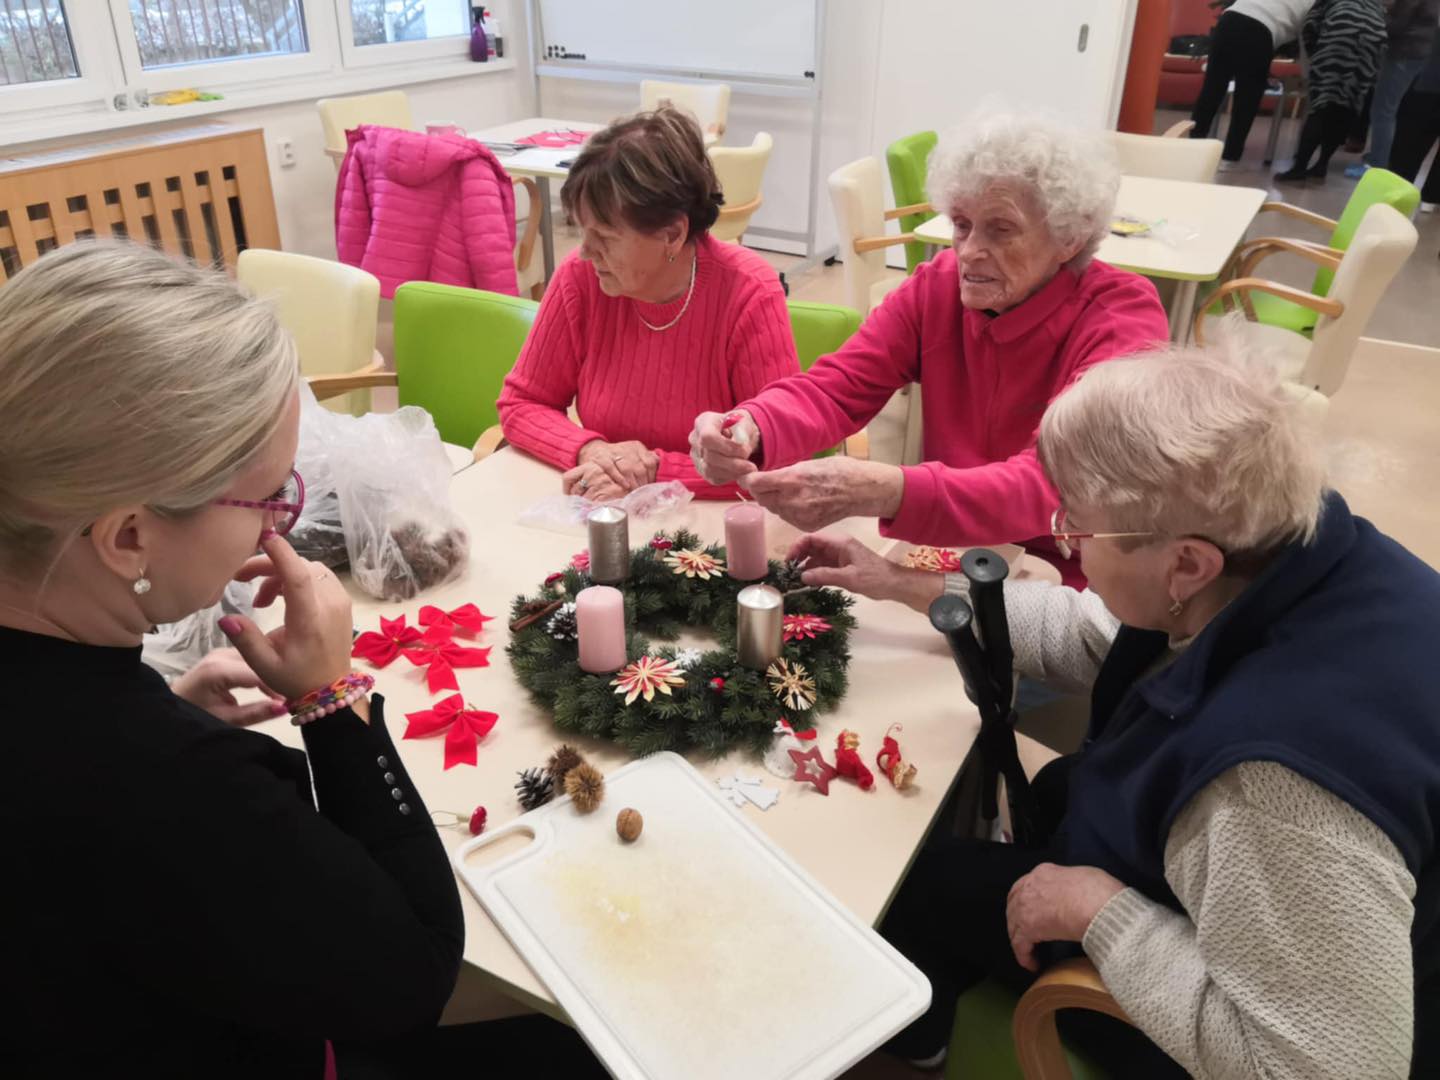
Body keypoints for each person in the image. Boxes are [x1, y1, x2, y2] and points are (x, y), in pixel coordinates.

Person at [788, 338, 1438, 1077]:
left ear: (1186, 563)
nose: (1068, 545)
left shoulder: (1268, 787)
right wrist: (901, 583)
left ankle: (917, 1051)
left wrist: (1103, 913)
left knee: (922, 887)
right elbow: (1098, 634)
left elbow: (1323, 1066)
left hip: (1254, 1007)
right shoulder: (1280, 554)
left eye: (1076, 528)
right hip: (1264, 914)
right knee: (1039, 800)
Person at [0, 242, 469, 1075]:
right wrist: (334, 699)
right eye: (268, 496)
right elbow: (412, 976)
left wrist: (162, 711)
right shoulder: (170, 788)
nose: (281, 525)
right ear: (129, 535)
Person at [689, 109, 1169, 588]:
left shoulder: (1121, 319)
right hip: (953, 554)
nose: (969, 251)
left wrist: (891, 491)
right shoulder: (936, 288)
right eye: (961, 224)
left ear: (1070, 237)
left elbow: (1057, 483)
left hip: (1074, 579)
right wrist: (751, 426)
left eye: (1001, 229)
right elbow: (837, 387)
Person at [496, 107, 798, 503]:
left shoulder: (748, 292)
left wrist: (654, 471)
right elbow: (522, 403)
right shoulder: (580, 277)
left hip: (711, 525)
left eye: (605, 237)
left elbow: (777, 457)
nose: (585, 251)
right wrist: (593, 451)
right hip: (607, 507)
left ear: (672, 234)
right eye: (582, 231)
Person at [1189, 0, 1315, 168]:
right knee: (1247, 99)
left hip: (1229, 20)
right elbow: (1305, 41)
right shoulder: (1314, 4)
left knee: (1212, 89)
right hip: (1260, 30)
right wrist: (1308, 76)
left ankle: (1193, 146)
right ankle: (1230, 157)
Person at [1276, 0, 1388, 181]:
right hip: (1373, 40)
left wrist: (1315, 57)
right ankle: (1321, 165)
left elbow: (1310, 24)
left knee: (1322, 104)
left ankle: (1299, 167)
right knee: (1346, 106)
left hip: (1340, 33)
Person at [1345, 0, 1440, 177]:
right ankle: (1379, 156)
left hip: (1404, 51)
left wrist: (1376, 16)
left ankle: (1376, 166)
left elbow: (1398, 23)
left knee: (1382, 111)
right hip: (1416, 49)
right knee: (1388, 109)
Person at [1388, 20, 1440, 211]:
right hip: (1427, 82)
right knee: (1410, 140)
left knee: (1409, 142)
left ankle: (1399, 190)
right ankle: (1431, 197)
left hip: (1427, 84)